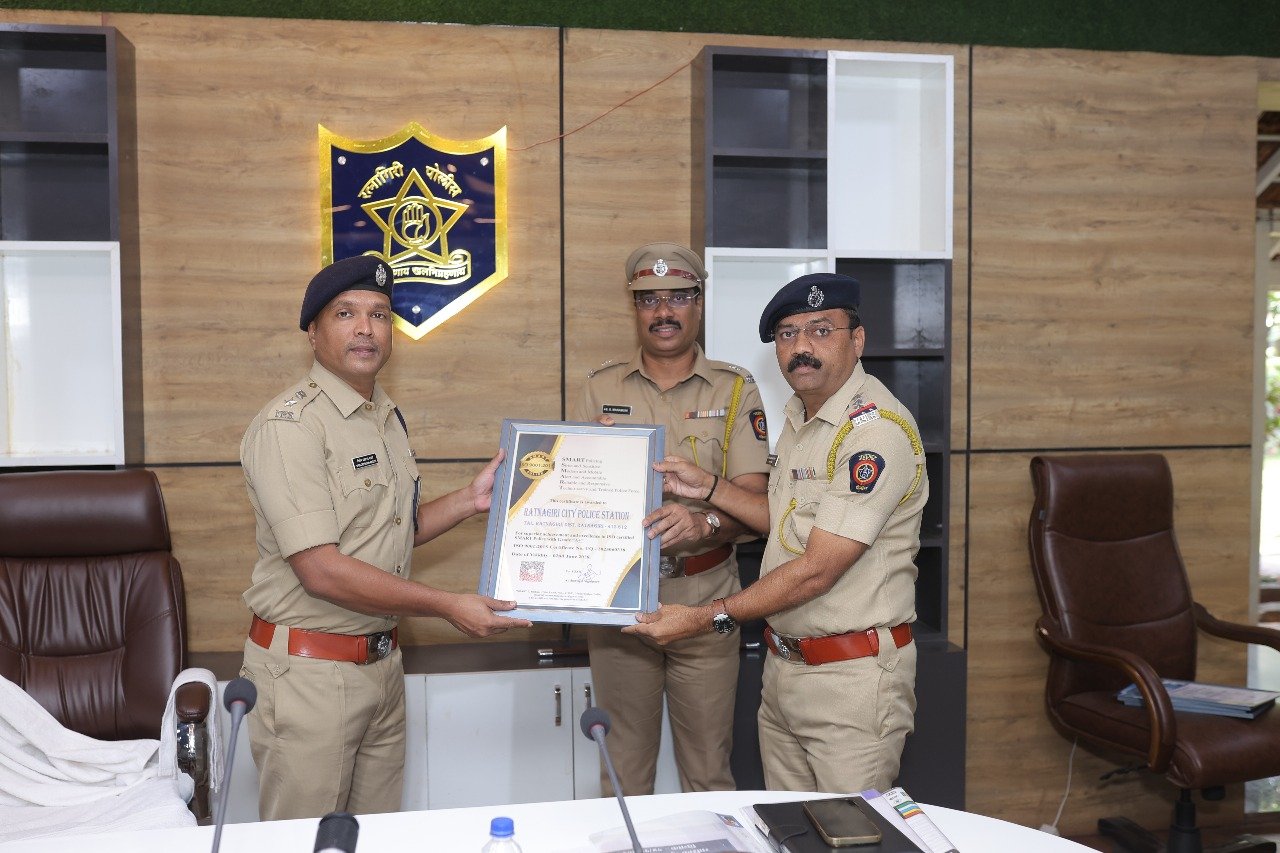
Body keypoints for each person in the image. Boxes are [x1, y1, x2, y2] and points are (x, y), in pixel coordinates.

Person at [238, 255, 531, 821]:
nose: (366, 328)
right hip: (309, 676)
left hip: (382, 667)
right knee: (305, 842)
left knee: (377, 837)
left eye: (378, 314)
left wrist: (470, 501)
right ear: (313, 332)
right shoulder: (290, 427)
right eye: (345, 313)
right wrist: (447, 605)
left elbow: (387, 532)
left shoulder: (383, 416)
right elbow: (321, 569)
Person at [624, 272, 928, 795]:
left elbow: (816, 570)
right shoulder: (803, 419)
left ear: (857, 340)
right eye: (788, 334)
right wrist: (709, 487)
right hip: (785, 668)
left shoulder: (874, 433)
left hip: (851, 679)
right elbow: (784, 521)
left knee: (851, 830)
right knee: (790, 828)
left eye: (821, 330)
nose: (802, 347)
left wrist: (705, 616)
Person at [572, 242, 770, 795]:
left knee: (708, 771)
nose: (664, 312)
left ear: (699, 304)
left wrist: (706, 524)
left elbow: (757, 502)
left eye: (678, 297)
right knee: (621, 773)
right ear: (634, 308)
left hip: (706, 598)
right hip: (620, 602)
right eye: (649, 299)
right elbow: (574, 500)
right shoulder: (600, 388)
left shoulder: (735, 389)